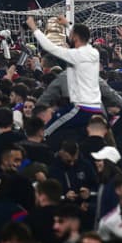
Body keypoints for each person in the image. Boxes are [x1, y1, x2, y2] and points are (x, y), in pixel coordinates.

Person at [27, 16, 102, 147]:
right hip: (90, 110)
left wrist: (34, 28)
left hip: (80, 108)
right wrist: (68, 25)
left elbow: (49, 46)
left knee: (47, 132)